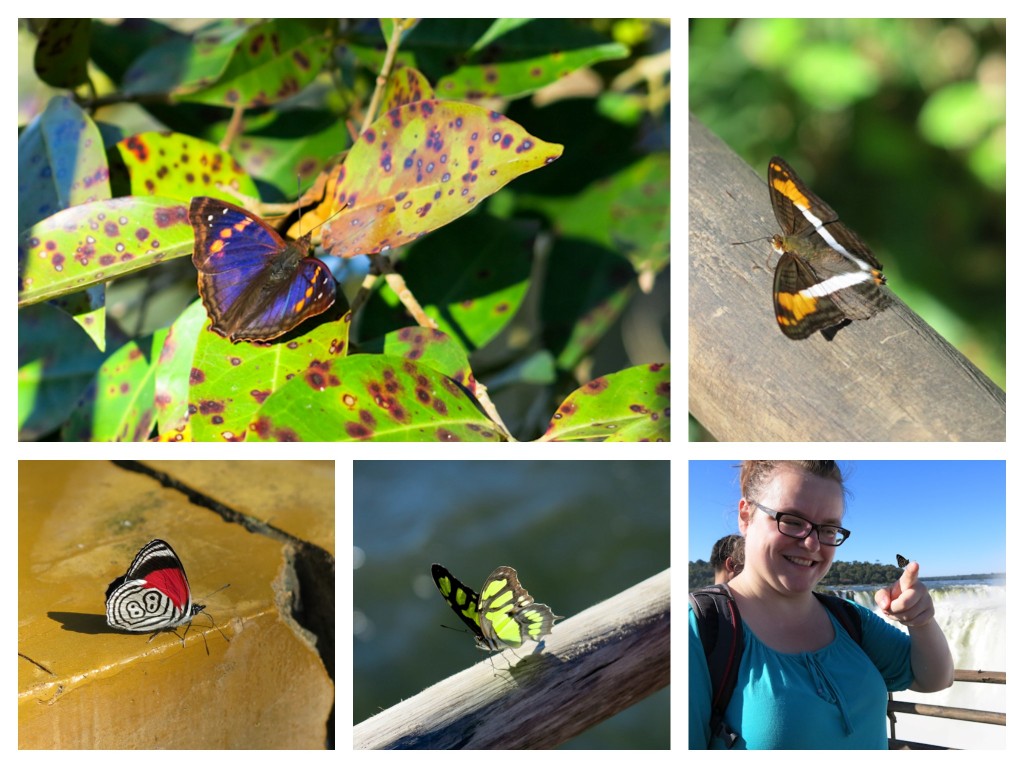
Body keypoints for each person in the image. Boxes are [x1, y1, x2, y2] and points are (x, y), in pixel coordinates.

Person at [689, 460, 954, 749]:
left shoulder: (849, 619)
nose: (812, 544)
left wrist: (921, 621)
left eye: (828, 529)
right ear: (745, 516)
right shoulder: (701, 628)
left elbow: (934, 679)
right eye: (791, 520)